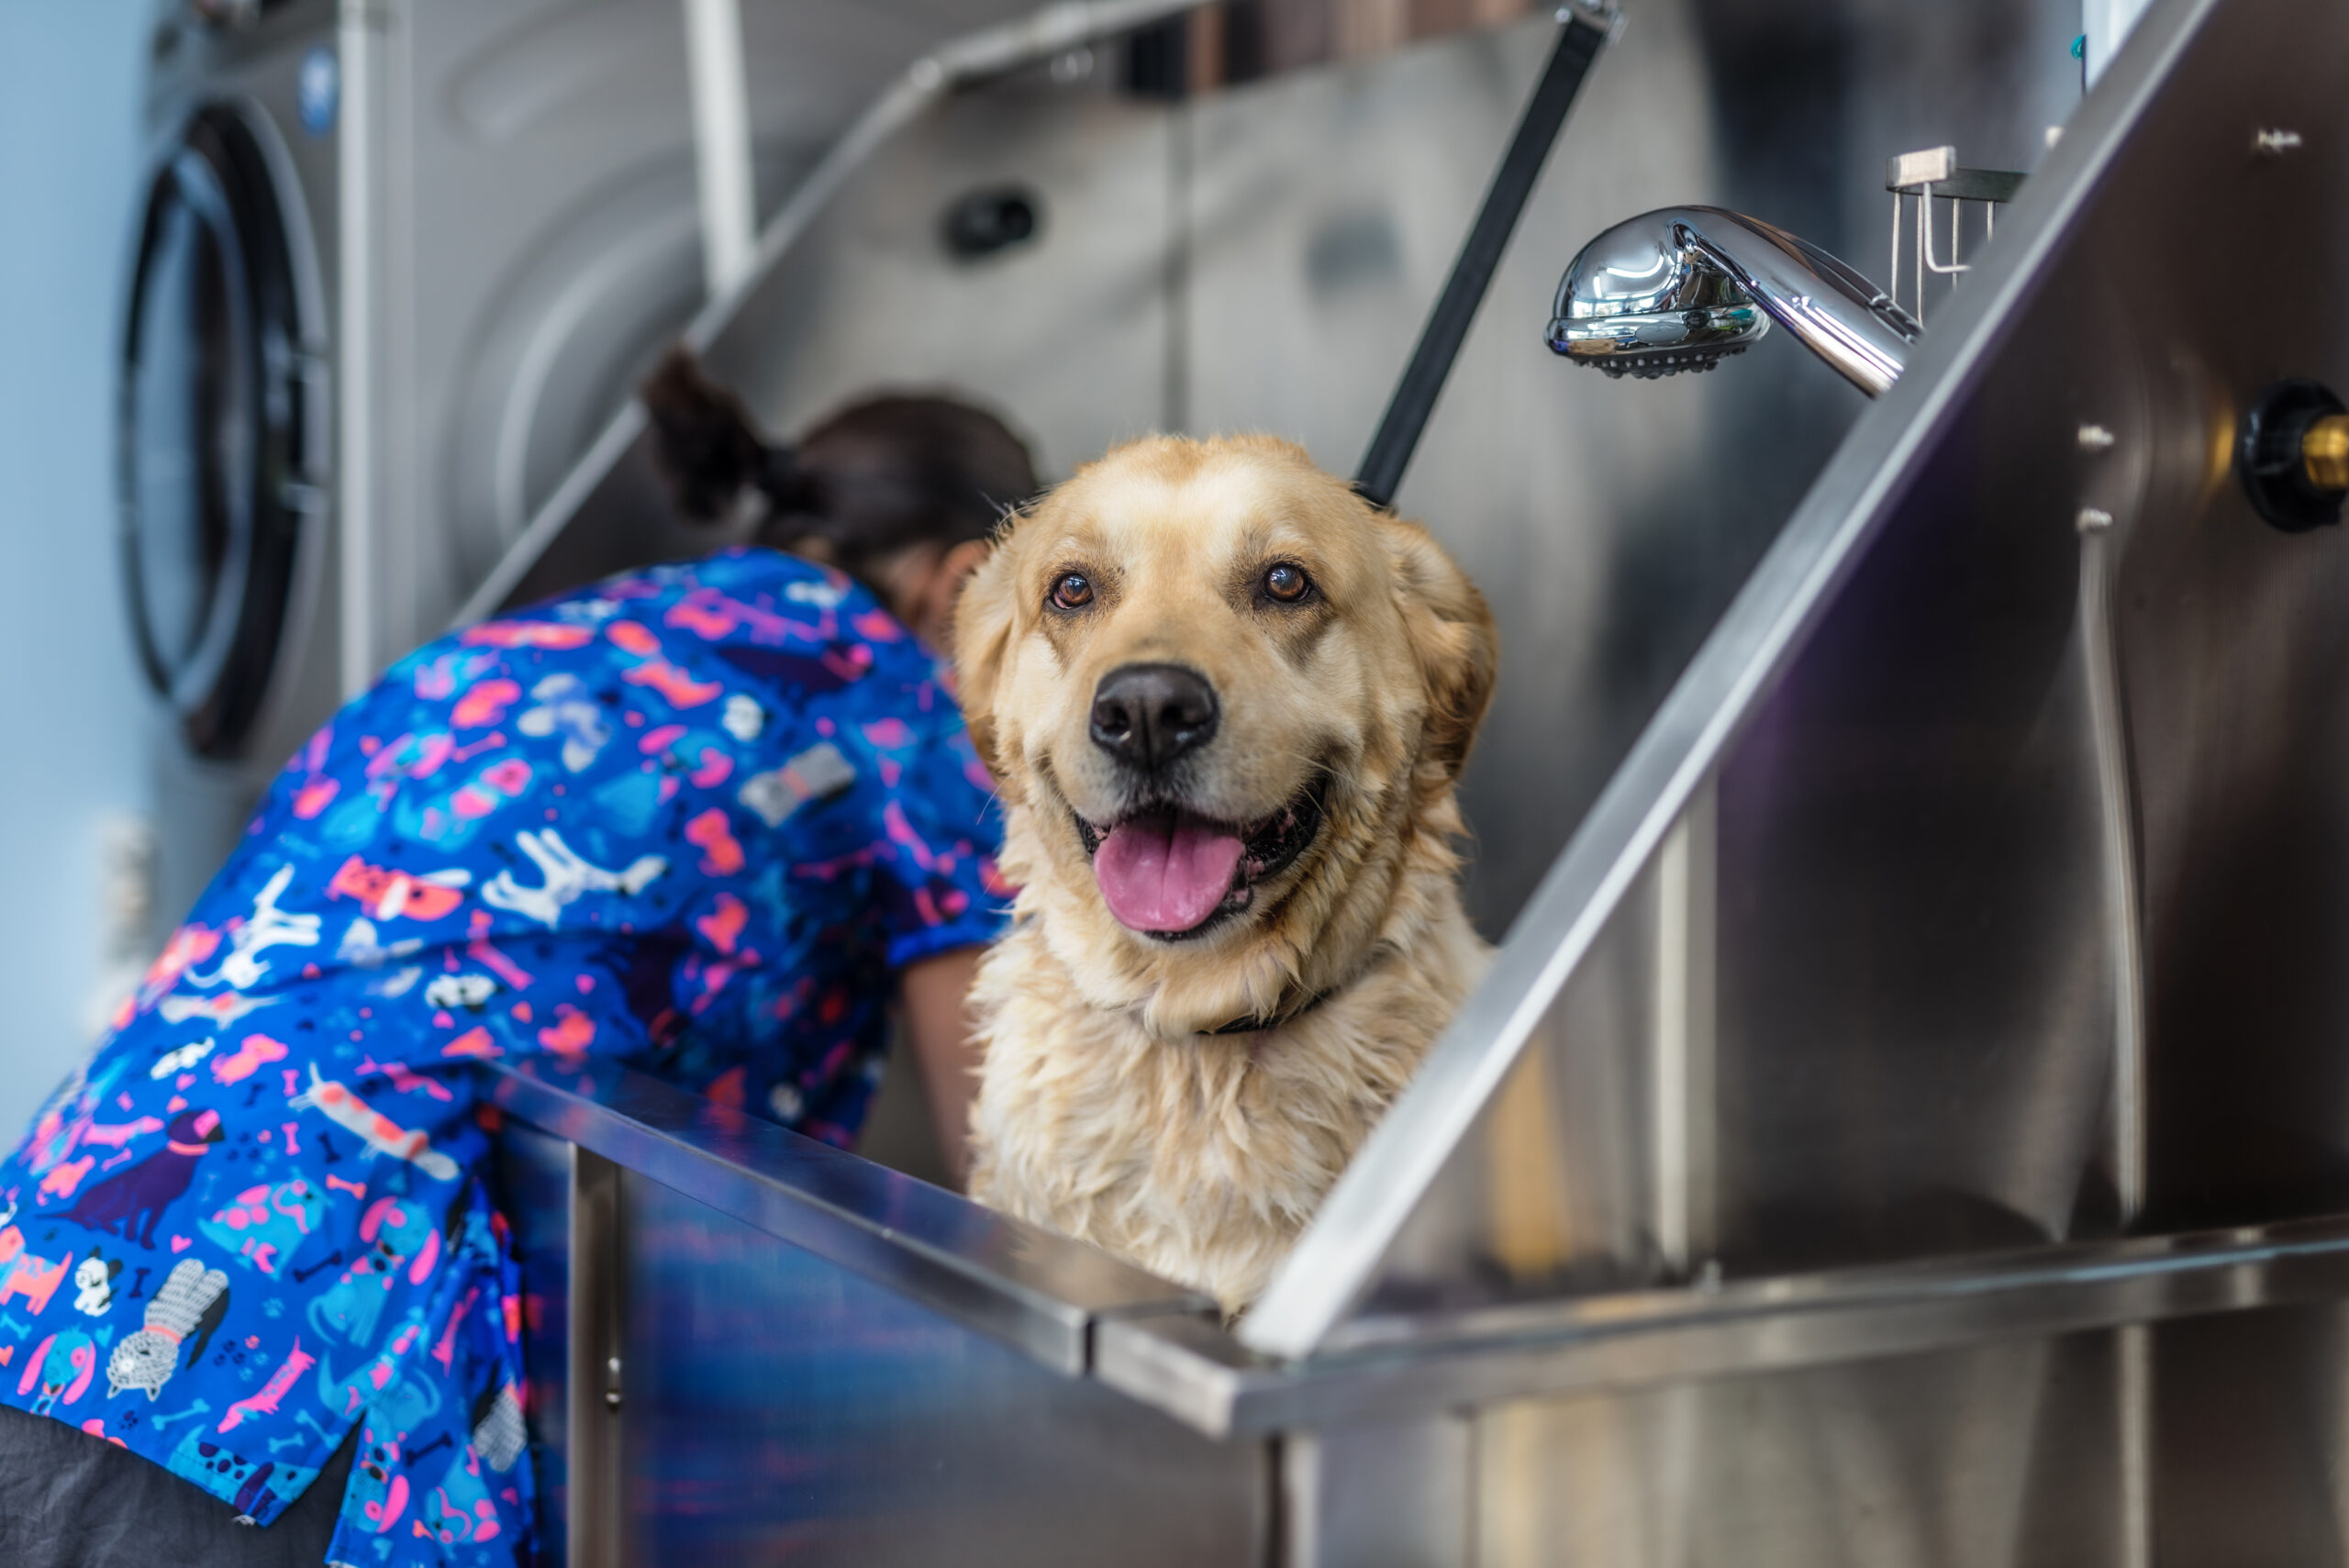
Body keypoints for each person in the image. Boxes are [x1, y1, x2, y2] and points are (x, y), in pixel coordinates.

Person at [0, 354, 1035, 1567]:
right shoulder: (903, 698)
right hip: (284, 1367)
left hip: (48, 1254)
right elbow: (1008, 1156)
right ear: (966, 579)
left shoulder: (538, 641)